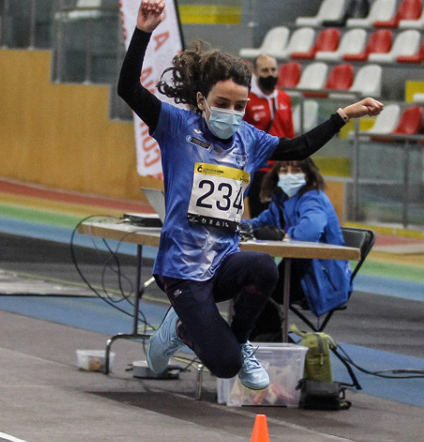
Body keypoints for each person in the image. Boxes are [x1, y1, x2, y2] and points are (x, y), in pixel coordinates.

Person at [117, 0, 382, 389]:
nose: (232, 113)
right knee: (223, 367)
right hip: (181, 271)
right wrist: (143, 32)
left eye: (240, 106)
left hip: (222, 262)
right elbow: (128, 88)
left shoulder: (248, 138)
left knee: (263, 267)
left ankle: (239, 341)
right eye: (223, 104)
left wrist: (342, 115)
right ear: (202, 100)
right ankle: (181, 330)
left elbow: (297, 149)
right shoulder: (175, 125)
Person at [243, 158, 352, 341]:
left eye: (296, 171)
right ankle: (262, 342)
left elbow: (309, 232)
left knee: (257, 291)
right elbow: (257, 224)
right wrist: (237, 226)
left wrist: (281, 235)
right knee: (248, 285)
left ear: (309, 175)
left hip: (321, 278)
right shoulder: (281, 200)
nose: (289, 176)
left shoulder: (313, 199)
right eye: (284, 170)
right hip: (296, 269)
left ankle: (274, 344)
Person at [244, 54, 294, 218]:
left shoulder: (284, 98)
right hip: (260, 169)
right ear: (256, 72)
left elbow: (289, 133)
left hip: (281, 170)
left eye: (273, 69)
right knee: (261, 216)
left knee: (283, 216)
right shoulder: (248, 99)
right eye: (265, 70)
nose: (270, 74)